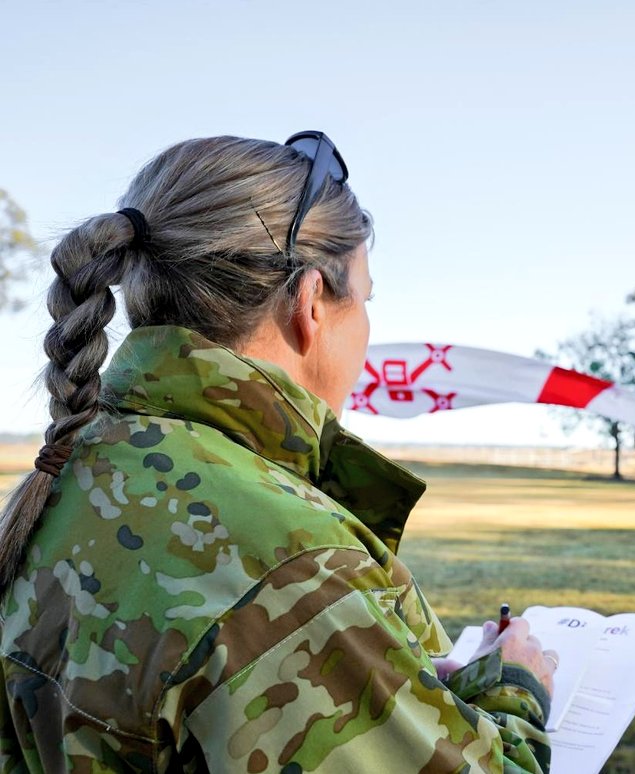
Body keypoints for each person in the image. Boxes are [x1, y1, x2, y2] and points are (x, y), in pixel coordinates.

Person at [0, 132, 557, 772]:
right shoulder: (293, 565)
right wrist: (517, 687)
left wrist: (376, 672)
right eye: (366, 299)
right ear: (310, 301)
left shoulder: (76, 471)